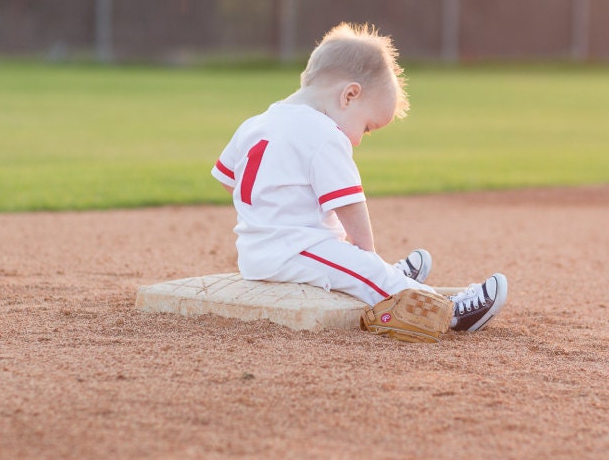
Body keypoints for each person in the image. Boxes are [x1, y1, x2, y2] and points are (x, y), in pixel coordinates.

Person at [211, 22, 507, 332]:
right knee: (366, 269)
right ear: (349, 95)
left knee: (350, 265)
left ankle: (378, 276)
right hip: (294, 251)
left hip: (254, 252)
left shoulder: (255, 123)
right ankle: (451, 312)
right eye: (367, 127)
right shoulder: (324, 133)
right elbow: (350, 205)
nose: (359, 139)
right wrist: (366, 255)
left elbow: (227, 179)